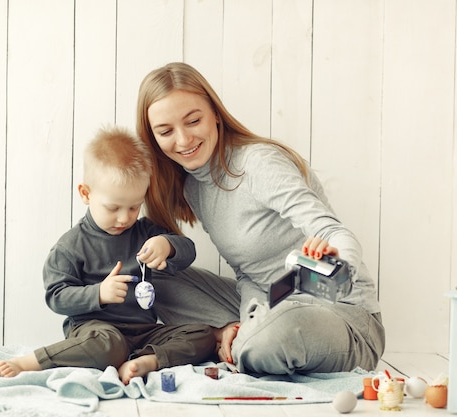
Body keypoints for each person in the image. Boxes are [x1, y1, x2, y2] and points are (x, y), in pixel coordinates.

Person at [136, 62, 385, 375]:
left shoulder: (258, 163)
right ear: (153, 138)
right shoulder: (193, 187)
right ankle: (227, 335)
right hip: (271, 304)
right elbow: (247, 274)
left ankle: (248, 341)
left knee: (265, 339)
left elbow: (333, 231)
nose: (184, 140)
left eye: (193, 120)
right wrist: (251, 317)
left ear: (214, 113)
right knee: (150, 277)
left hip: (338, 315)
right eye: (166, 131)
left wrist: (338, 266)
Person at [0, 126, 216, 384]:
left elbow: (188, 251)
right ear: (86, 194)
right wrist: (98, 293)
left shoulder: (145, 233)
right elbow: (56, 296)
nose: (124, 217)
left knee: (203, 334)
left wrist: (168, 245)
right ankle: (30, 361)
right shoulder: (71, 245)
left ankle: (147, 360)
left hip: (143, 332)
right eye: (113, 207)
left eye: (134, 206)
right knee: (109, 345)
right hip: (95, 332)